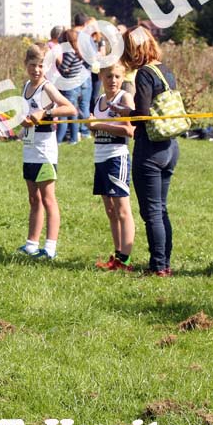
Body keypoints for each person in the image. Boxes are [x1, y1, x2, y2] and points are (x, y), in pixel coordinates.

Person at [118, 26, 180, 277]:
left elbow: (142, 115)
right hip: (170, 147)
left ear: (135, 50)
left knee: (151, 211)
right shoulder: (166, 71)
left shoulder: (144, 74)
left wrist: (124, 113)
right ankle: (164, 263)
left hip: (150, 148)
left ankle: (158, 267)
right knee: (161, 209)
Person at [16, 44, 76, 260]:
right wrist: (21, 127)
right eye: (33, 65)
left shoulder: (46, 87)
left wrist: (46, 111)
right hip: (30, 150)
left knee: (48, 199)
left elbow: (70, 108)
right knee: (34, 199)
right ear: (26, 65)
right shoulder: (25, 87)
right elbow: (28, 115)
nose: (36, 70)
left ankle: (50, 247)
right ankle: (31, 243)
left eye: (41, 66)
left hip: (45, 152)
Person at [86, 63, 136, 271]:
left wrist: (98, 125)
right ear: (101, 77)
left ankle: (125, 259)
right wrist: (93, 127)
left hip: (117, 157)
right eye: (108, 76)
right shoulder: (98, 101)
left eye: (117, 76)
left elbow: (129, 130)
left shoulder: (124, 98)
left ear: (123, 77)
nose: (113, 80)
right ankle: (117, 256)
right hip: (100, 157)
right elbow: (94, 130)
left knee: (123, 209)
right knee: (110, 209)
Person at [55, 29, 92, 144]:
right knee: (74, 112)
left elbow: (63, 70)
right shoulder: (78, 51)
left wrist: (58, 62)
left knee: (66, 113)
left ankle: (60, 140)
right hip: (77, 85)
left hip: (70, 86)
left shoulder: (70, 52)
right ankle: (74, 138)